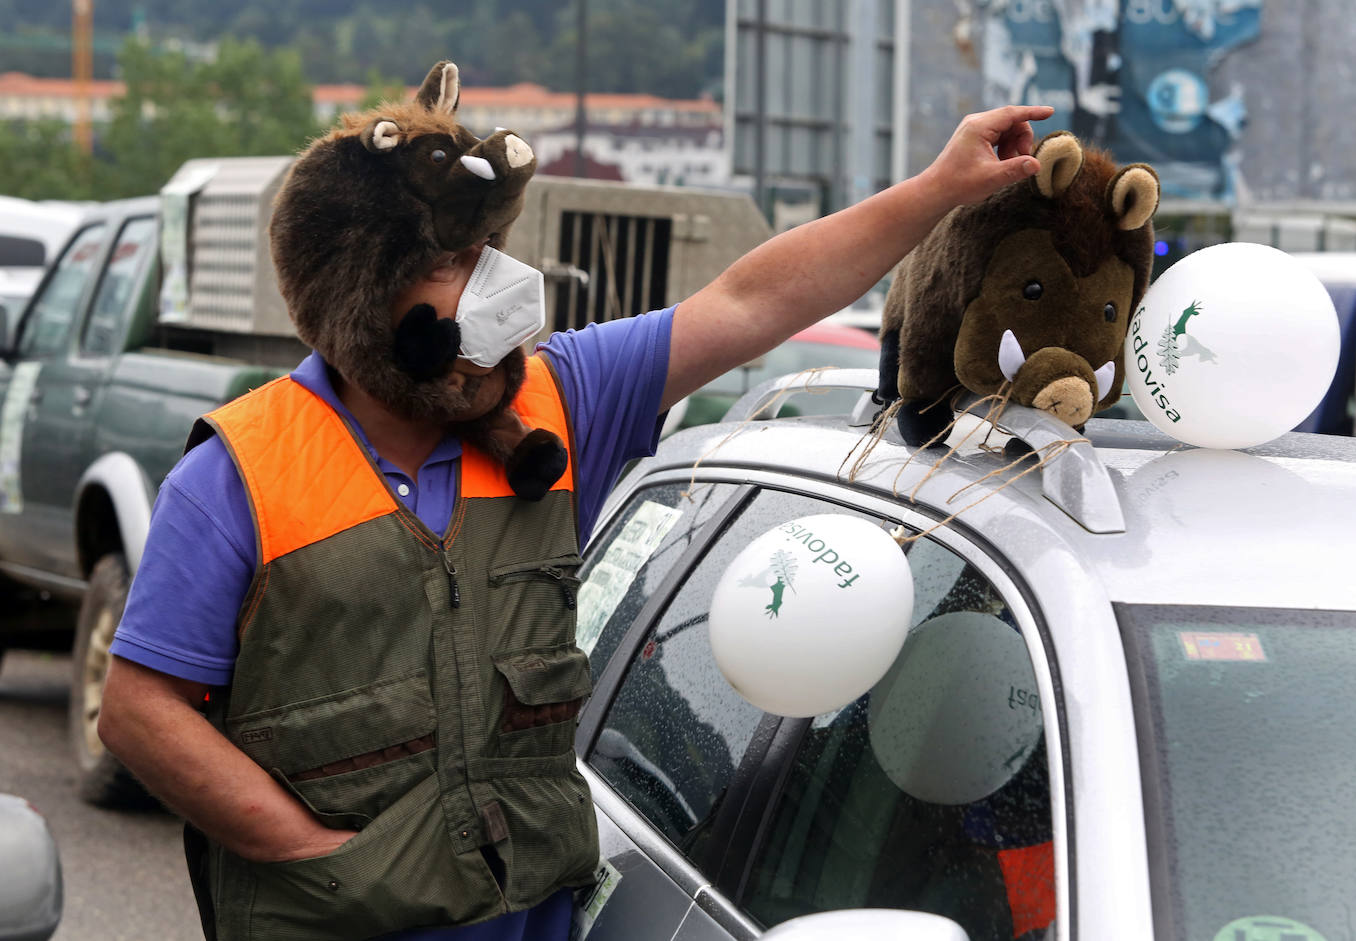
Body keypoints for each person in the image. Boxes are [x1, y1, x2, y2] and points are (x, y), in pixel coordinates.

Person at [98, 102, 1054, 941]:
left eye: (484, 251)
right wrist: (314, 853)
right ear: (365, 301)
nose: (493, 283)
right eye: (451, 263)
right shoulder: (238, 473)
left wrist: (938, 188)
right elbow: (142, 711)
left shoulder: (563, 398)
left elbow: (752, 298)